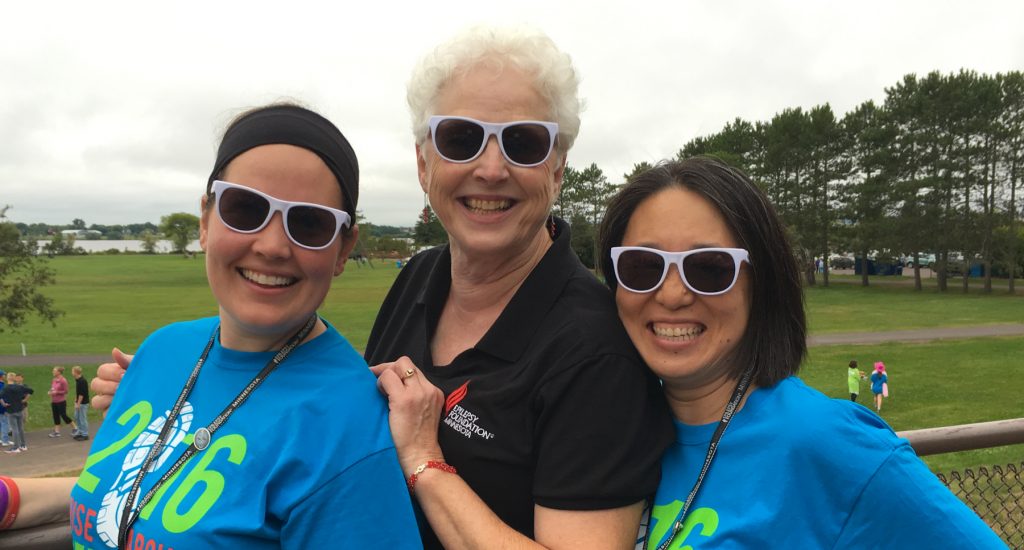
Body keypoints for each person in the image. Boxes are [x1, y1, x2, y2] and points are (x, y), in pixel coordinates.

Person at [93, 26, 673, 549]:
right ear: (424, 164)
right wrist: (176, 402)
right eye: (461, 138)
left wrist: (424, 458)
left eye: (522, 143)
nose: (491, 169)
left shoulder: (597, 349)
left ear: (558, 167)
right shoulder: (423, 276)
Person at [16, 103, 422, 548]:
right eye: (245, 209)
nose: (272, 246)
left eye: (309, 223)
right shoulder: (161, 350)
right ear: (206, 220)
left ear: (344, 249)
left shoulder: (347, 429)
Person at [597, 157, 1004, 548]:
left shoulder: (833, 447)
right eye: (642, 266)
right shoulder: (602, 426)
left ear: (762, 284)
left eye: (708, 268)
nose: (671, 294)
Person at [0, 371, 32, 453]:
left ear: (7, 378)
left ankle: (15, 447)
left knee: (14, 429)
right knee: (20, 428)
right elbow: (31, 391)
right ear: (14, 378)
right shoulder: (19, 387)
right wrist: (23, 400)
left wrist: (4, 404)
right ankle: (23, 445)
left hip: (11, 410)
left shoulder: (6, 388)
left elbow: (0, 397)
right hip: (20, 409)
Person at [47, 366, 76, 437]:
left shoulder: (63, 380)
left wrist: (56, 392)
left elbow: (66, 391)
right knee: (55, 416)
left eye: (54, 371)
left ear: (59, 372)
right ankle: (57, 432)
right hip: (54, 401)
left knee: (63, 415)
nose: (53, 372)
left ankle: (75, 428)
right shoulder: (54, 380)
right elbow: (53, 388)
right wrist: (50, 391)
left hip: (61, 401)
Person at [70, 366, 90, 440]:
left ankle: (85, 434)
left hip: (83, 403)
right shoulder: (77, 380)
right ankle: (80, 431)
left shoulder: (82, 381)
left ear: (76, 372)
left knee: (82, 418)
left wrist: (78, 404)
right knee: (77, 417)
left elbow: (82, 394)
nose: (72, 373)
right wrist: (75, 401)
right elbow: (78, 393)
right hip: (79, 402)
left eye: (72, 371)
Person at [0, 370, 10, 448]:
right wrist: (4, 404)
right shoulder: (1, 385)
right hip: (2, 407)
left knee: (1, 423)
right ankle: (5, 440)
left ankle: (3, 438)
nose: (5, 376)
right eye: (4, 375)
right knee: (5, 423)